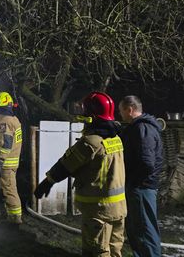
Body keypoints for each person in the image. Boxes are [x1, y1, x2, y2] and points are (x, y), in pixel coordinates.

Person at [35, 91, 126, 257]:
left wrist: (47, 182)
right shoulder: (116, 138)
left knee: (97, 251)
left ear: (91, 115)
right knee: (114, 250)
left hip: (99, 210)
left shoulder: (91, 142)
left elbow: (65, 165)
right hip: (118, 207)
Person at [119, 95, 163, 257]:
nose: (120, 115)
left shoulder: (142, 128)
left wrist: (133, 182)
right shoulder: (138, 128)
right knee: (138, 229)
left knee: (145, 230)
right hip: (141, 186)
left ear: (129, 109)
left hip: (142, 187)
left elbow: (147, 163)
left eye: (121, 111)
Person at [0, 91, 23, 224]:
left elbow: (6, 143)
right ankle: (9, 215)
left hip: (5, 165)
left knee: (9, 191)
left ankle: (15, 219)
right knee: (7, 190)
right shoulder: (14, 120)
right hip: (10, 164)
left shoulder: (6, 122)